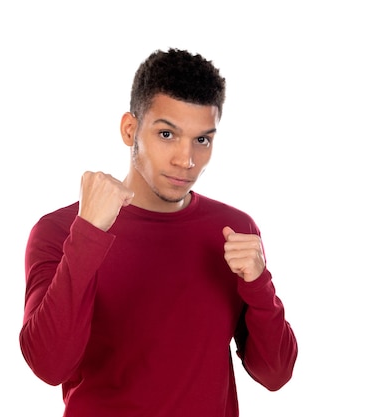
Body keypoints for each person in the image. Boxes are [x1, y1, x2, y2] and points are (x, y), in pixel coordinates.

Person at [19, 47, 298, 417]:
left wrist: (259, 284)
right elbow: (49, 365)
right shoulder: (61, 231)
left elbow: (274, 373)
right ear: (129, 129)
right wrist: (88, 235)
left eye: (202, 140)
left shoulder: (234, 231)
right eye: (167, 134)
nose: (186, 160)